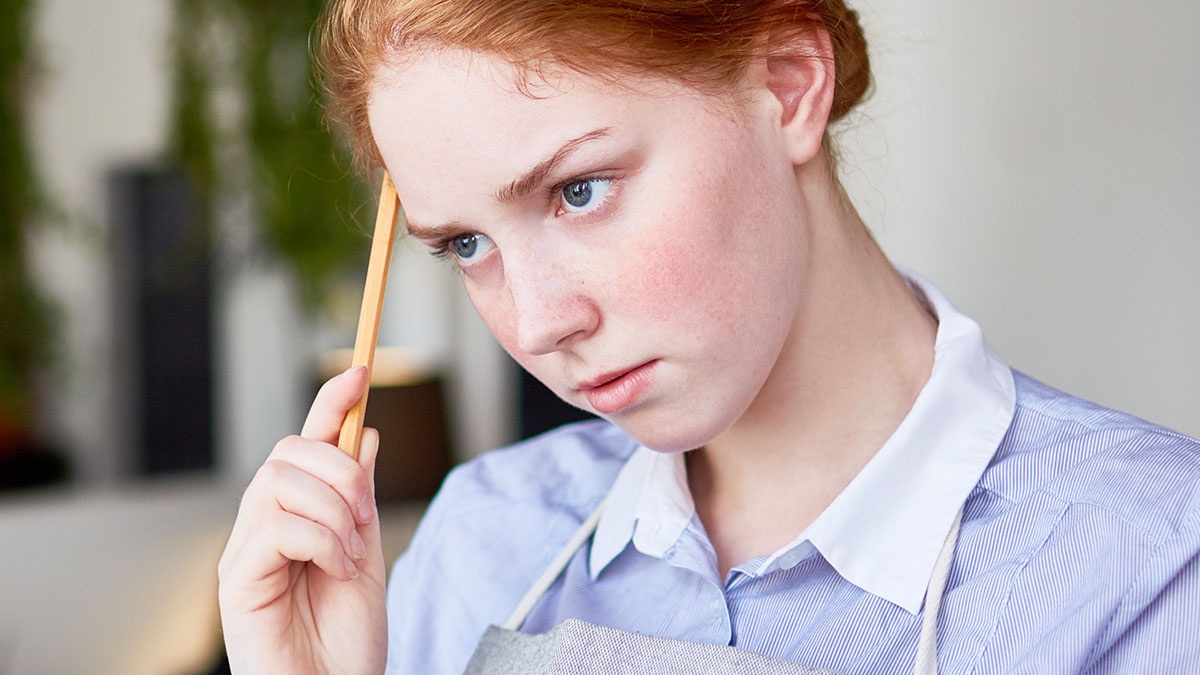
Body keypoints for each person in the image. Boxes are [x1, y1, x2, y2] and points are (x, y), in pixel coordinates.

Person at [216, 1, 1200, 673]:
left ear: (786, 83)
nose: (538, 321)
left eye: (579, 191)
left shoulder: (1151, 564)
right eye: (466, 244)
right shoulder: (482, 542)